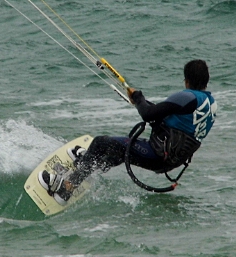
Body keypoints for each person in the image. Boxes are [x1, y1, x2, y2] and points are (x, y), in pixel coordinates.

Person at [39, 59, 217, 205]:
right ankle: (90, 163)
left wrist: (139, 99)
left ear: (186, 80)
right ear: (206, 81)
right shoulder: (209, 104)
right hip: (171, 161)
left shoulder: (187, 96)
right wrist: (141, 101)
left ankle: (66, 188)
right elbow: (170, 120)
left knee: (101, 142)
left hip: (157, 154)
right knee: (116, 152)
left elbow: (148, 115)